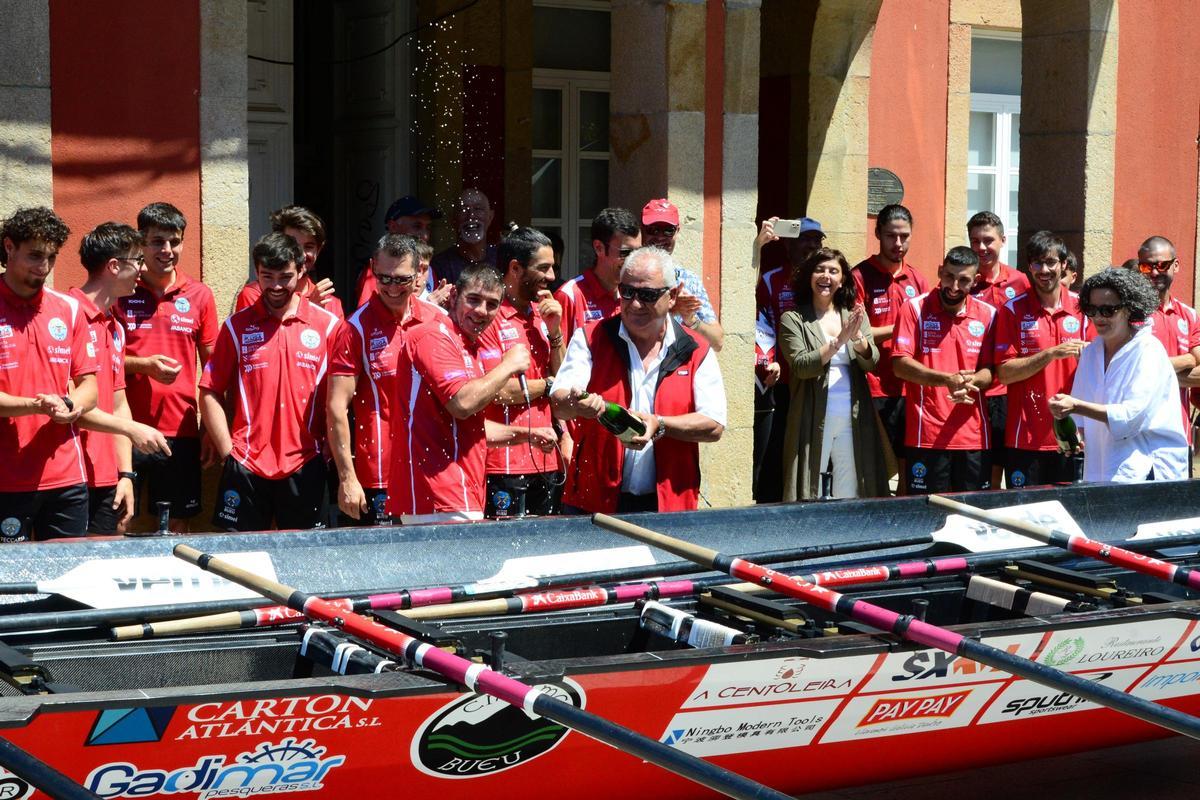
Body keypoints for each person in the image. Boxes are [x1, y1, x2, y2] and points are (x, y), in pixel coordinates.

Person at [551, 247, 726, 514]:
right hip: (593, 503)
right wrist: (576, 403)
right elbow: (559, 402)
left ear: (673, 295)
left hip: (668, 506)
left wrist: (661, 424)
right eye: (627, 292)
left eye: (647, 295)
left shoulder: (696, 350)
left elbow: (714, 425)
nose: (634, 304)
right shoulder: (591, 338)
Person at [200, 233, 341, 531]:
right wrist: (228, 451)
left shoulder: (329, 326)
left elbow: (341, 395)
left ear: (302, 270)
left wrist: (330, 444)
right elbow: (210, 389)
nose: (276, 286)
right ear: (256, 271)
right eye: (267, 276)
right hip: (246, 463)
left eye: (285, 276)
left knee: (305, 561)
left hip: (306, 463)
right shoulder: (236, 327)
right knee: (240, 562)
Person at [386, 264, 533, 524]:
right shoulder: (433, 335)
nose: (481, 311)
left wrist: (526, 435)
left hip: (459, 492)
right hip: (436, 495)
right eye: (473, 300)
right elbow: (462, 404)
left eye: (491, 304)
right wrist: (509, 364)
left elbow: (466, 426)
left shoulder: (466, 344)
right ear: (453, 296)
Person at [327, 235, 442, 524]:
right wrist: (347, 479)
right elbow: (336, 408)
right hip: (381, 473)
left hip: (433, 471)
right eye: (384, 278)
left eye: (401, 280)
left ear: (418, 275)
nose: (391, 288)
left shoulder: (439, 320)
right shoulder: (354, 328)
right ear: (373, 268)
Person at [118, 202, 218, 530]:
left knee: (176, 527)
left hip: (181, 431)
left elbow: (213, 370)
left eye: (174, 241)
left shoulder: (200, 295)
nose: (167, 250)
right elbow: (100, 360)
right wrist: (142, 366)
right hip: (126, 427)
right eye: (157, 241)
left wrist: (208, 429)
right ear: (141, 243)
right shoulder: (121, 291)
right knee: (121, 519)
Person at [0, 207, 98, 540]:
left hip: (66, 477)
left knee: (70, 584)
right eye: (35, 256)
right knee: (11, 588)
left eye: (51, 258)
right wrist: (36, 406)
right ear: (9, 247)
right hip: (6, 478)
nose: (43, 268)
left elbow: (89, 386)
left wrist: (72, 406)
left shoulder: (68, 309)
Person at [72, 223, 171, 534]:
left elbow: (118, 402)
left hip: (107, 473)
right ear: (114, 266)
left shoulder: (115, 325)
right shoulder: (66, 314)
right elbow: (70, 406)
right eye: (137, 261)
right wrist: (132, 428)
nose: (142, 270)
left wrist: (126, 475)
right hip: (68, 473)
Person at [1050, 269, 1188, 482]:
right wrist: (1073, 436)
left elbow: (1130, 418)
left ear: (1129, 309)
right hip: (1100, 472)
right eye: (1091, 309)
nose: (1098, 317)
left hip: (1147, 473)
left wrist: (1075, 405)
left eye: (1108, 310)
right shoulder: (1090, 354)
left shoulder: (1149, 350)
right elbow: (1080, 422)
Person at [778, 248, 884, 500]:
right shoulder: (793, 319)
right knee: (808, 485)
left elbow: (872, 363)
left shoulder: (854, 315)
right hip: (812, 413)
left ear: (843, 279)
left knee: (850, 486)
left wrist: (858, 340)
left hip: (852, 415)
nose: (826, 276)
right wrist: (838, 341)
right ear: (809, 276)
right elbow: (801, 366)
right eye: (819, 270)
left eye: (833, 271)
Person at [892, 246, 997, 493]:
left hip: (973, 436)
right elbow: (900, 365)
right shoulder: (914, 308)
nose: (954, 286)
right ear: (940, 271)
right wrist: (947, 380)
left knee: (973, 518)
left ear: (976, 281)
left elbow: (991, 371)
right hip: (926, 435)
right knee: (927, 517)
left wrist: (971, 383)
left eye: (963, 280)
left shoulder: (989, 315)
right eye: (949, 276)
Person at [478, 227, 566, 517]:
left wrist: (555, 334)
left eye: (553, 267)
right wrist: (550, 385)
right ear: (515, 268)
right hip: (502, 464)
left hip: (547, 460)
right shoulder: (489, 316)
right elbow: (500, 393)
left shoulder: (544, 314)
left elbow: (564, 382)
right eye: (543, 268)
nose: (552, 276)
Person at [995, 231, 1090, 487]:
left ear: (1064, 265)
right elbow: (1004, 373)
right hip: (1025, 438)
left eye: (1050, 262)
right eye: (1037, 263)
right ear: (1029, 266)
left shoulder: (1085, 309)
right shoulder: (1011, 310)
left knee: (1073, 517)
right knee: (1023, 518)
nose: (1044, 269)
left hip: (1073, 437)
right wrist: (1050, 353)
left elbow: (1101, 367)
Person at [852, 204, 930, 490]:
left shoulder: (918, 279)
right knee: (873, 465)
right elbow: (857, 333)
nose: (898, 243)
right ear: (878, 234)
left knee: (908, 460)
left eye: (905, 236)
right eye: (891, 236)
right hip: (873, 384)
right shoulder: (860, 276)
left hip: (909, 385)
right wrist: (902, 328)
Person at [753, 215, 826, 502]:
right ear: (787, 245)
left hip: (819, 378)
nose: (811, 245)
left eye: (816, 240)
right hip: (781, 380)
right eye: (804, 238)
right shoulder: (771, 279)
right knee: (778, 449)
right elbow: (760, 324)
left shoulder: (826, 279)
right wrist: (767, 361)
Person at [968, 211, 1030, 488]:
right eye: (975, 241)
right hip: (976, 385)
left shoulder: (1020, 281)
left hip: (1008, 389)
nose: (982, 248)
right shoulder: (963, 283)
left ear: (1003, 240)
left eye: (988, 240)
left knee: (1009, 463)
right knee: (982, 466)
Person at [1126, 236, 1200, 451]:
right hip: (1136, 440)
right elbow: (1130, 372)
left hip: (1179, 437)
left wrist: (1155, 374)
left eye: (1162, 265)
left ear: (1176, 265)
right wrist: (1188, 359)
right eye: (1146, 266)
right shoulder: (1127, 313)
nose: (1155, 272)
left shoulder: (1189, 315)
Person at [640, 199, 724, 351]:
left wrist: (691, 319)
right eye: (653, 229)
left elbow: (717, 342)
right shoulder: (629, 276)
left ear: (677, 231)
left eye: (668, 230)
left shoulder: (689, 280)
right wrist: (669, 308)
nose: (660, 237)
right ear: (642, 230)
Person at [235, 206, 344, 319]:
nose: (301, 254)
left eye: (309, 246)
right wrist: (310, 310)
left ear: (319, 249)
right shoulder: (254, 295)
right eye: (293, 245)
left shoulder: (330, 302)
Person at [555, 208, 640, 340]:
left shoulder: (637, 294)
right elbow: (558, 357)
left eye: (638, 252)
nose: (633, 260)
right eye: (625, 253)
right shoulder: (570, 296)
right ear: (599, 248)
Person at [355, 195, 441, 305]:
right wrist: (430, 305)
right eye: (417, 226)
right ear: (393, 227)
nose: (425, 236)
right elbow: (368, 317)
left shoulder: (428, 268)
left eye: (428, 228)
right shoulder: (379, 270)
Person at [430, 188, 498, 286]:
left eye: (478, 209)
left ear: (490, 217)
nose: (471, 215)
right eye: (463, 210)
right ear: (453, 219)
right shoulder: (440, 266)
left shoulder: (501, 259)